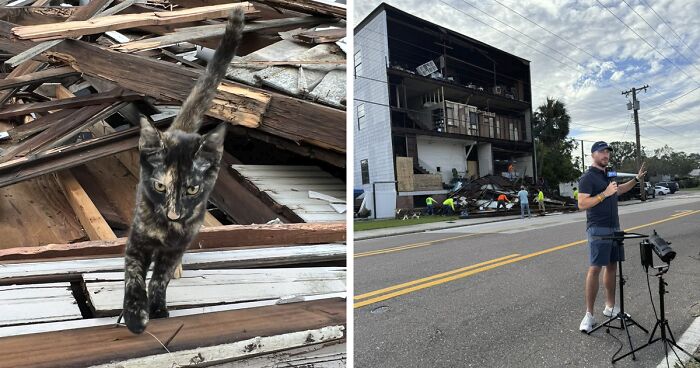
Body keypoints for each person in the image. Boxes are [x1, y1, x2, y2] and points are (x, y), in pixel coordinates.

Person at [578, 141, 647, 333]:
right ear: (593, 154)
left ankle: (610, 307)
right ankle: (589, 315)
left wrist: (636, 179)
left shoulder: (609, 174)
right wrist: (604, 194)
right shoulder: (587, 178)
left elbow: (619, 190)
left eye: (607, 152)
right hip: (598, 228)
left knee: (612, 266)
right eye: (601, 151)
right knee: (595, 269)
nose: (605, 155)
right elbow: (582, 204)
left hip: (614, 227)